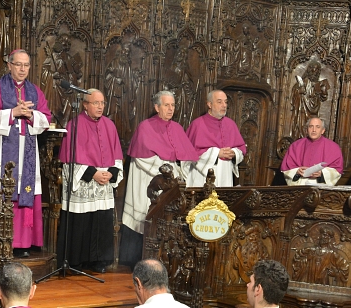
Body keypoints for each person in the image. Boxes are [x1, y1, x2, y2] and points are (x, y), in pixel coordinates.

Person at [0, 50, 51, 258]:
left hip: (26, 149)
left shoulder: (35, 91)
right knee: (2, 189)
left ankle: (23, 243)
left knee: (25, 189)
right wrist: (12, 113)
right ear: (9, 65)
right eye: (18, 65)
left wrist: (31, 114)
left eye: (26, 65)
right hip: (1, 148)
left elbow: (46, 118)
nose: (22, 69)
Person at [120, 91, 199, 268]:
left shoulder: (177, 128)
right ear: (157, 107)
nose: (171, 109)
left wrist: (177, 171)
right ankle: (138, 261)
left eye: (173, 105)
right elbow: (141, 158)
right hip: (148, 180)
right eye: (166, 105)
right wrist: (166, 169)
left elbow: (185, 158)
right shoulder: (145, 127)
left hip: (170, 183)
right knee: (145, 218)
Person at [56, 89, 123, 273]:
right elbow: (70, 162)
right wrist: (92, 173)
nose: (101, 106)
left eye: (102, 103)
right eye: (96, 103)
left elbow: (117, 156)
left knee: (102, 222)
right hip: (85, 183)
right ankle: (77, 262)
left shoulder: (110, 125)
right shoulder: (74, 125)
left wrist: (111, 172)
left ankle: (99, 261)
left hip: (103, 184)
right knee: (82, 223)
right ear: (85, 104)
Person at [185, 89, 246, 187]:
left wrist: (234, 153)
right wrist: (216, 153)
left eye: (225, 102)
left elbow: (242, 148)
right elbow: (189, 154)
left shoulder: (231, 124)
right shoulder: (197, 124)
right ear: (209, 104)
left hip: (225, 172)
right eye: (219, 102)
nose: (224, 105)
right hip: (203, 175)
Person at [281, 117, 343, 186]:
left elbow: (337, 170)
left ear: (323, 130)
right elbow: (287, 167)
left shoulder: (333, 147)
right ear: (307, 130)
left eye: (317, 127)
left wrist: (322, 174)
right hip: (300, 184)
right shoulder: (296, 145)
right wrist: (297, 171)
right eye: (311, 126)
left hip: (321, 186)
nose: (314, 130)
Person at [291, 58, 330, 140]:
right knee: (302, 126)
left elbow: (323, 97)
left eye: (316, 71)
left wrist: (323, 92)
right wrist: (299, 91)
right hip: (302, 110)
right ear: (308, 70)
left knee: (313, 126)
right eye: (312, 70)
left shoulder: (319, 84)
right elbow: (294, 93)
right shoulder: (302, 83)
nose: (314, 72)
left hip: (314, 111)